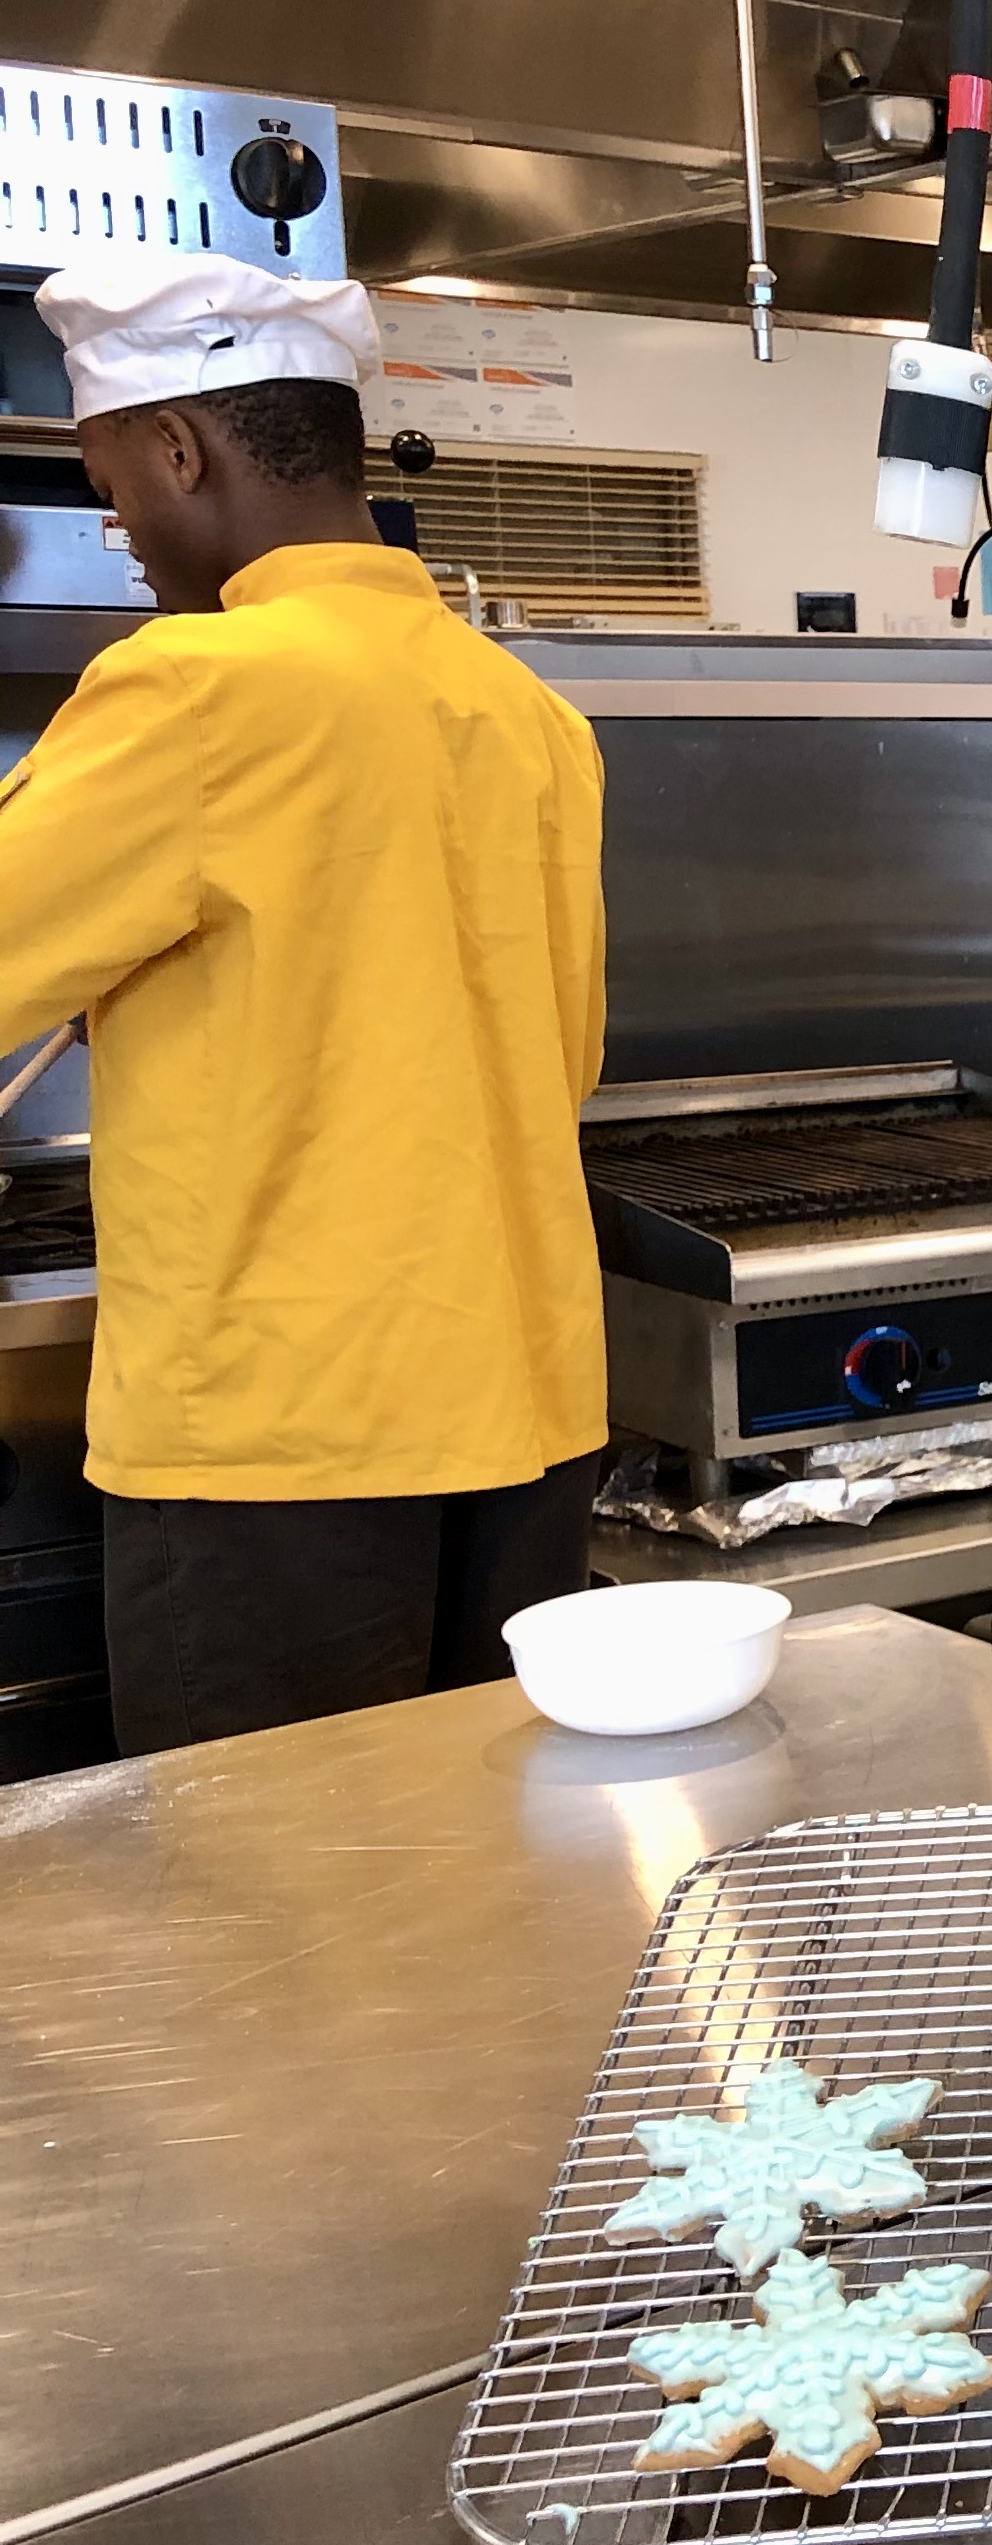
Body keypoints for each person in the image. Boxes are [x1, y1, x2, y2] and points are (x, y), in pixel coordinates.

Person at [0, 255, 609, 1751]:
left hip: (279, 1449)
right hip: (525, 1424)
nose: (121, 530)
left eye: (111, 482)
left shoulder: (194, 688)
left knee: (269, 1939)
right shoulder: (523, 710)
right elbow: (565, 1054)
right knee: (478, 1902)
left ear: (180, 449)